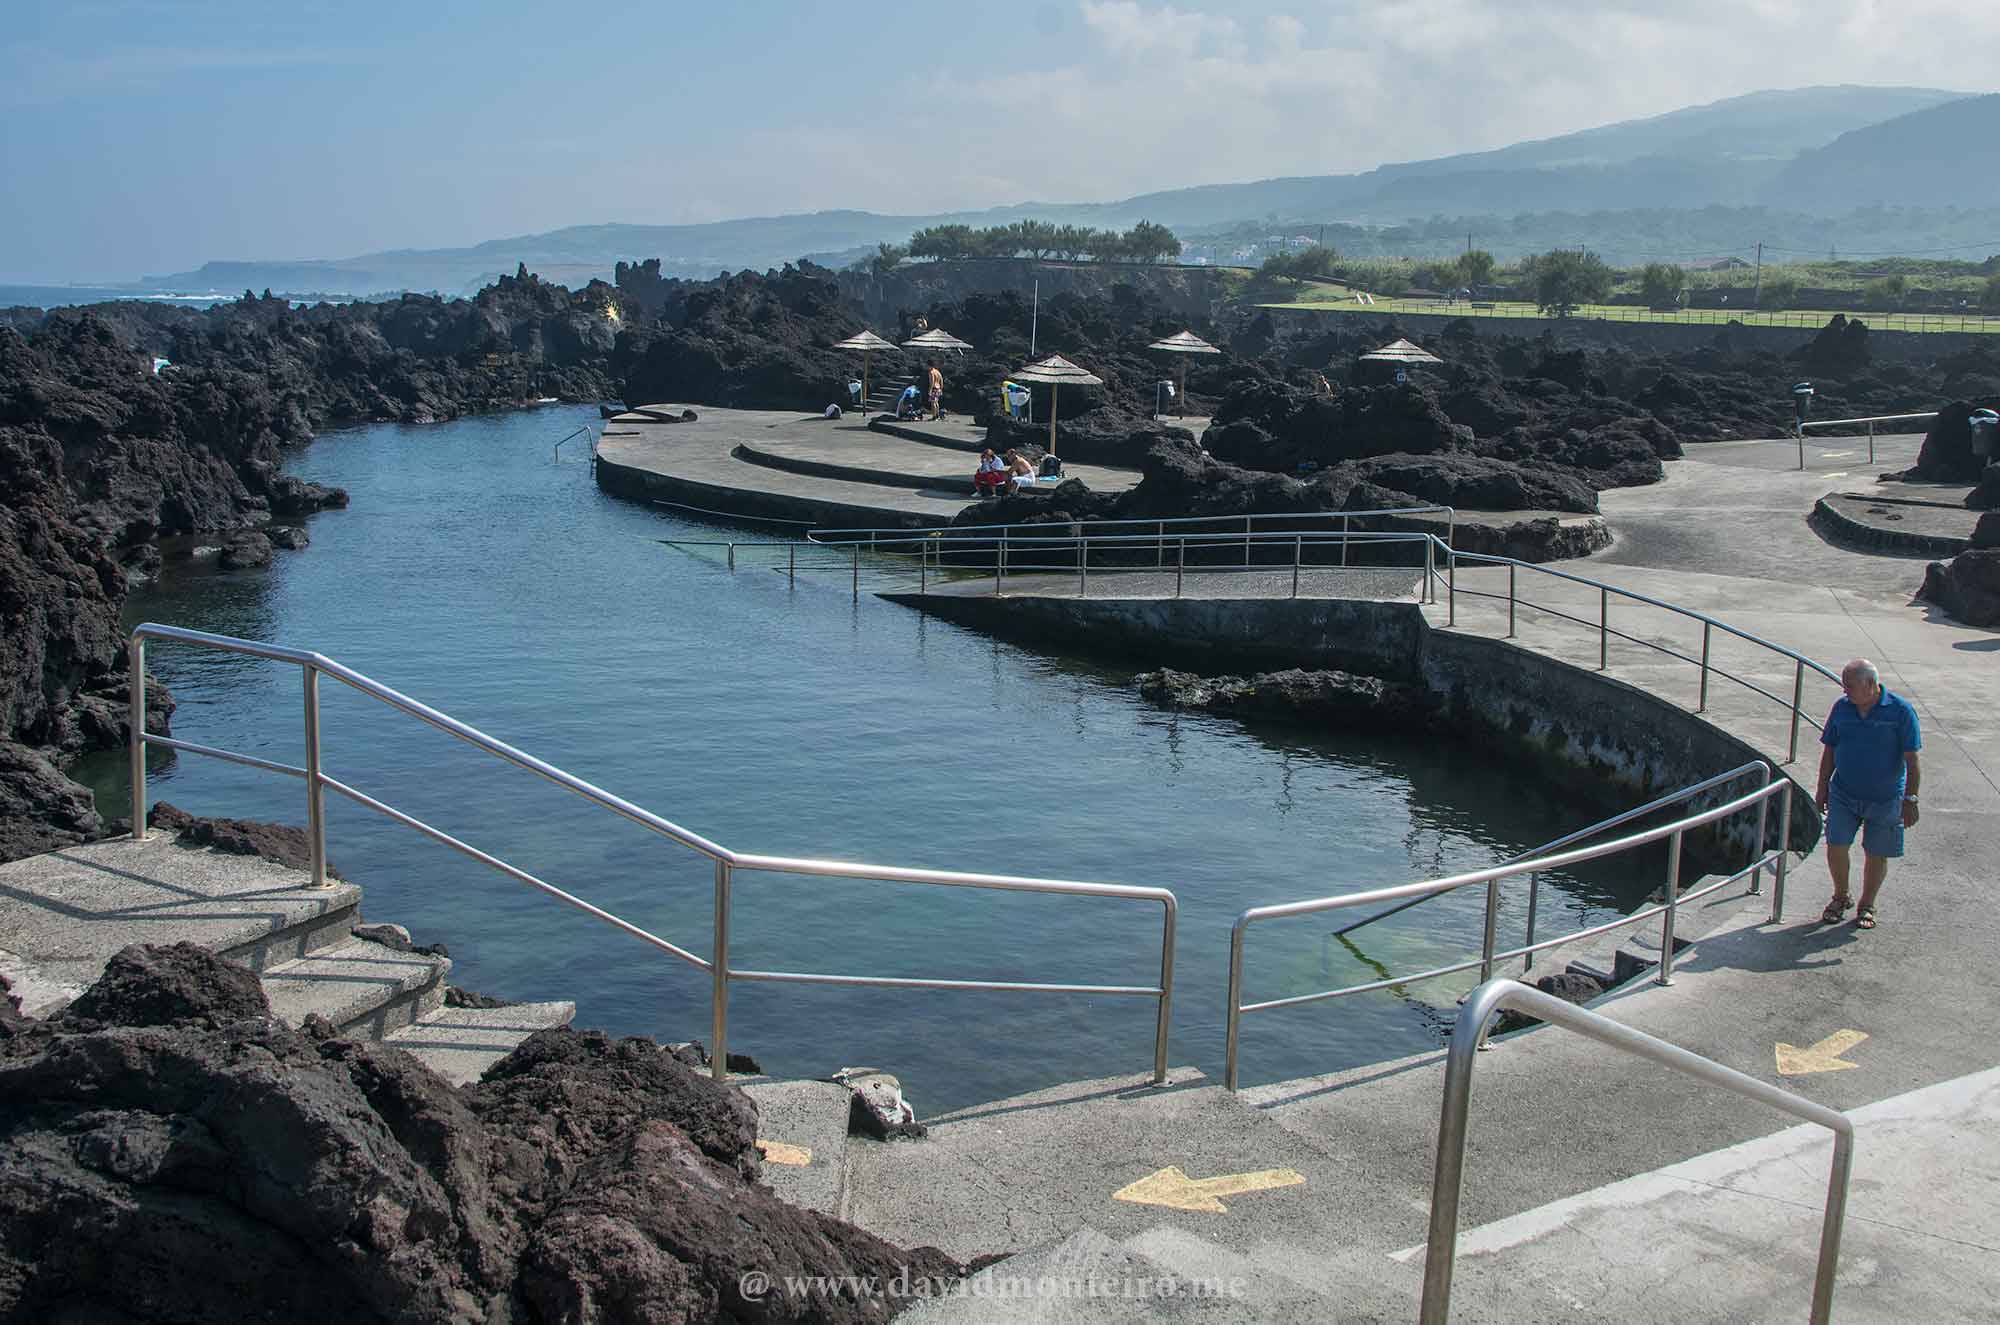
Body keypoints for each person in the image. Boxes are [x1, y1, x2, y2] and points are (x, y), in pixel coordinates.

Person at [1814, 658, 1921, 930]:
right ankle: (1841, 896)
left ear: (1871, 684)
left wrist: (1910, 799)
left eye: (1850, 686)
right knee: (1836, 845)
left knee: (1876, 852)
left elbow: (1912, 759)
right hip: (1844, 793)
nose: (1845, 691)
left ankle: (1867, 904)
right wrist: (1822, 787)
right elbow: (1830, 750)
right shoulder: (1842, 709)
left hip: (1885, 798)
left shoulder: (1900, 712)